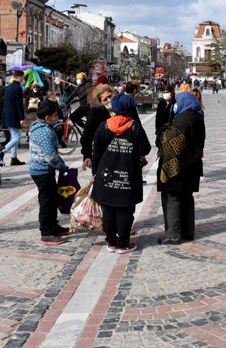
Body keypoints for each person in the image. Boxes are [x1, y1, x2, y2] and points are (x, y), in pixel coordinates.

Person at [91, 94, 152, 253]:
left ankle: (111, 242)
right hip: (128, 175)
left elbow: (96, 152)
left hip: (106, 175)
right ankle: (123, 243)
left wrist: (95, 172)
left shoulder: (104, 125)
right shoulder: (134, 127)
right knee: (125, 210)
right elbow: (145, 149)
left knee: (109, 208)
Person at [156, 91, 205, 244]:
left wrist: (163, 131)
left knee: (172, 198)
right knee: (187, 198)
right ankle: (187, 231)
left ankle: (173, 234)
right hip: (192, 165)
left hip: (178, 167)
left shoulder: (183, 119)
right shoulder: (197, 117)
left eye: (177, 102)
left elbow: (169, 140)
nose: (175, 105)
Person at [28, 102, 71, 245]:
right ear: (47, 117)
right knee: (47, 202)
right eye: (54, 116)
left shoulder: (40, 127)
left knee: (52, 200)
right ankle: (46, 232)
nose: (57, 118)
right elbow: (51, 157)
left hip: (43, 169)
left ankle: (54, 227)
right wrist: (61, 167)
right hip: (42, 171)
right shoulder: (45, 132)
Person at [81, 84, 114, 172]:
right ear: (100, 102)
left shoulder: (122, 108)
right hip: (103, 156)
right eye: (105, 99)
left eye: (110, 96)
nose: (109, 100)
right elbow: (87, 136)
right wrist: (87, 155)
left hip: (121, 156)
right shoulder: (96, 112)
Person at [2, 70, 26, 166]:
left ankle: (14, 157)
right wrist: (21, 118)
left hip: (7, 114)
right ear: (19, 77)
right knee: (17, 137)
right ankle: (2, 151)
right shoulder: (18, 88)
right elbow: (19, 104)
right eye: (23, 77)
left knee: (14, 136)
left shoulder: (7, 87)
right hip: (14, 115)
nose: (23, 79)